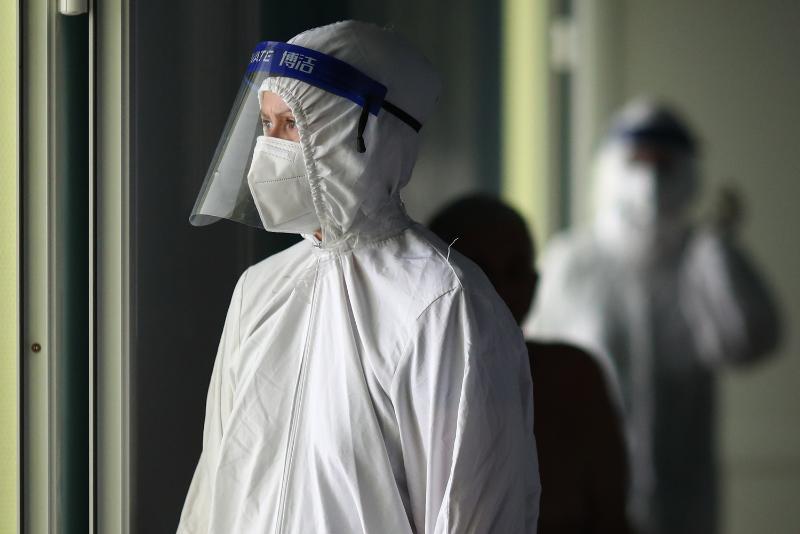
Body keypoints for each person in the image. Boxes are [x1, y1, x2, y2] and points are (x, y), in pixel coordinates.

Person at [178, 21, 540, 533]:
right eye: (266, 124)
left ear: (365, 134)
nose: (267, 148)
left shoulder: (439, 303)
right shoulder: (259, 290)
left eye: (292, 124)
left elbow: (471, 510)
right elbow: (216, 489)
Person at [526, 100, 781, 534]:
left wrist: (718, 250)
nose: (651, 180)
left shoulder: (700, 260)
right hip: (585, 499)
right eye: (637, 163)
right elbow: (534, 370)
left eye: (664, 164)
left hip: (683, 498)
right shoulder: (571, 262)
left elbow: (750, 342)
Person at [430, 194, 631, 534]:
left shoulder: (572, 378)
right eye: (479, 270)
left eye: (514, 271)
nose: (498, 290)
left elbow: (611, 515)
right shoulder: (410, 387)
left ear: (534, 284)